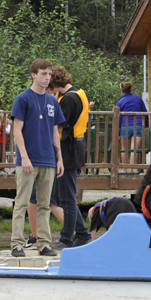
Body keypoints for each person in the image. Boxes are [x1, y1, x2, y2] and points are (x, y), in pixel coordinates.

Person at [10, 60, 65, 258]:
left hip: (48, 159)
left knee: (44, 204)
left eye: (49, 74)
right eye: (43, 73)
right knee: (22, 202)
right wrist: (24, 157)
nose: (47, 77)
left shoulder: (52, 101)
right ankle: (16, 243)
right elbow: (17, 130)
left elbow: (55, 132)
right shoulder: (23, 98)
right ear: (33, 75)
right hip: (28, 159)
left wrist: (59, 158)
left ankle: (44, 243)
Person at [53, 66, 92, 249]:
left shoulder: (68, 99)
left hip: (68, 149)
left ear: (55, 84)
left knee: (67, 197)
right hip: (75, 146)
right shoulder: (78, 93)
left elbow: (58, 127)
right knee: (60, 196)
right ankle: (82, 234)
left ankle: (67, 239)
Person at [115, 82, 147, 169]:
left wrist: (118, 132)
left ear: (121, 90)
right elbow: (145, 112)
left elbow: (118, 117)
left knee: (124, 149)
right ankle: (132, 169)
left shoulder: (120, 101)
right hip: (138, 125)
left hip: (125, 126)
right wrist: (146, 126)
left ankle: (124, 169)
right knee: (134, 149)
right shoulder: (138, 98)